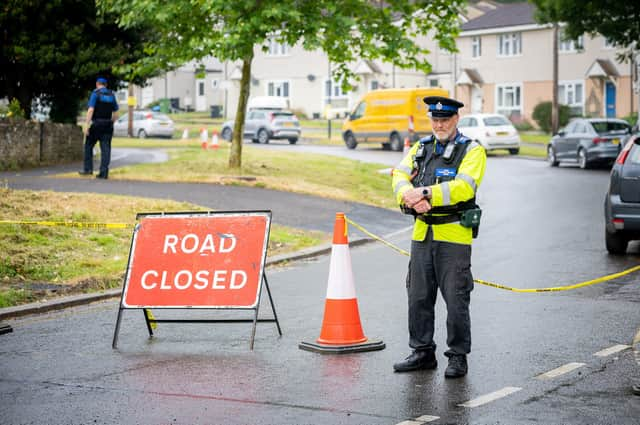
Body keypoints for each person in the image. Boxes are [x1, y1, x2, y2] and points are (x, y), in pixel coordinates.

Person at [391, 96, 487, 378]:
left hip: (454, 235)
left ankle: (457, 356)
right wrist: (407, 197)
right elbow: (399, 174)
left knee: (456, 300)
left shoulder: (472, 150)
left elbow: (464, 188)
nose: (440, 124)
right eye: (435, 119)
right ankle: (422, 352)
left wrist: (425, 194)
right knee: (418, 297)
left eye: (445, 119)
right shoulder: (421, 147)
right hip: (422, 232)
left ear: (456, 119)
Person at [79, 77, 119, 179]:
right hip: (108, 125)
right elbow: (116, 113)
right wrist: (112, 122)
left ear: (97, 84)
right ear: (106, 85)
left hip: (97, 124)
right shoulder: (112, 95)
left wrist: (87, 125)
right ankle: (104, 173)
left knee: (88, 145)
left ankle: (88, 169)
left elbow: (91, 110)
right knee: (106, 149)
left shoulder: (95, 94)